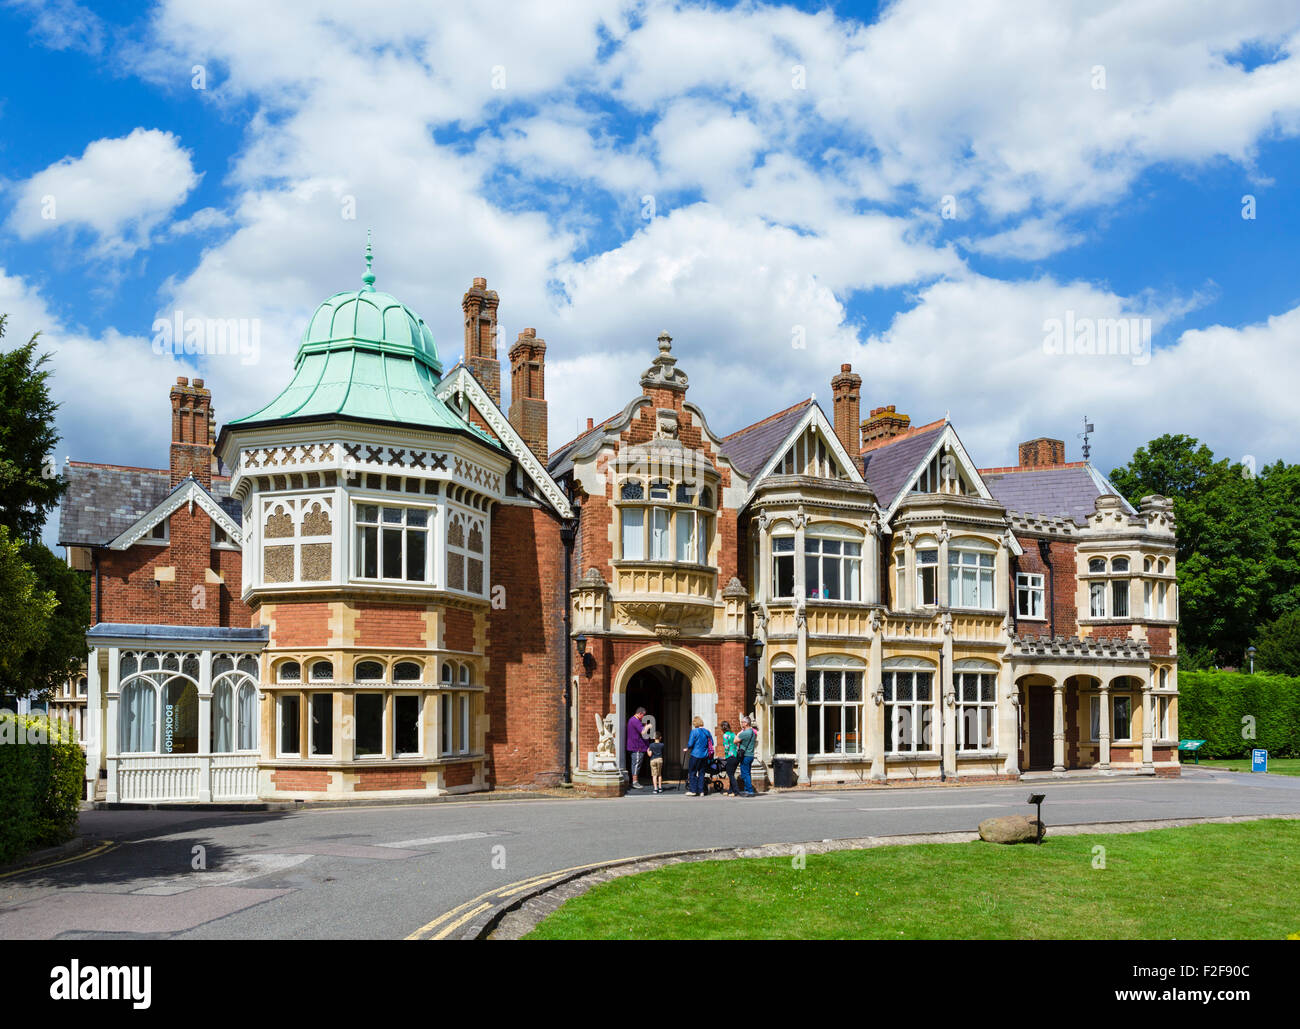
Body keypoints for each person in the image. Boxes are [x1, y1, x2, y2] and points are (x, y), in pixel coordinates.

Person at [683, 716, 712, 797]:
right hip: (705, 756)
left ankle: (693, 790)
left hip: (695, 755)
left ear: (695, 723)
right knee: (702, 773)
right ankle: (701, 791)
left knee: (692, 773)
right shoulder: (707, 732)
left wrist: (687, 748)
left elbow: (690, 744)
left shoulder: (694, 731)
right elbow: (711, 743)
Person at [626, 707, 649, 789]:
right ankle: (634, 782)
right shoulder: (635, 720)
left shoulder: (634, 720)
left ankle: (634, 781)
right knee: (636, 764)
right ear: (640, 713)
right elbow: (643, 731)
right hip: (637, 747)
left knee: (636, 763)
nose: (644, 717)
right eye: (643, 715)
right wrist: (648, 726)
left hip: (636, 746)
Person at [735, 715, 757, 796]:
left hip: (745, 755)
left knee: (745, 774)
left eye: (743, 722)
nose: (741, 723)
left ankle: (749, 791)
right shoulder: (752, 732)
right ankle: (747, 789)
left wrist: (739, 733)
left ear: (747, 723)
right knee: (747, 773)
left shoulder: (745, 733)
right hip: (750, 755)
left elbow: (735, 740)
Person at [720, 720, 739, 796]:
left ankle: (736, 791)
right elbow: (737, 745)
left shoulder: (725, 735)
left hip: (730, 756)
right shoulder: (733, 734)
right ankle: (730, 791)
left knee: (730, 775)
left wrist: (726, 755)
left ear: (723, 728)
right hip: (735, 756)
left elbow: (726, 747)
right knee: (732, 774)